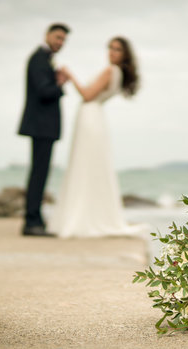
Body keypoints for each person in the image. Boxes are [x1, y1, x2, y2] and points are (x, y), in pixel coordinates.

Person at [48, 36, 141, 238]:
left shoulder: (110, 71)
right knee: (90, 166)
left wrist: (70, 75)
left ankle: (82, 217)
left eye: (117, 49)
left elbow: (87, 95)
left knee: (84, 165)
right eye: (110, 48)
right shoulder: (118, 73)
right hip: (96, 117)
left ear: (124, 54)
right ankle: (89, 214)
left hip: (91, 115)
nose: (111, 52)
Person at [18, 23, 70, 237]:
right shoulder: (39, 58)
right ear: (47, 35)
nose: (60, 43)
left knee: (40, 173)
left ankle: (35, 218)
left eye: (63, 40)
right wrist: (60, 83)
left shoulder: (44, 58)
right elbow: (43, 91)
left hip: (43, 126)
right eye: (58, 37)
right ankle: (31, 222)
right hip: (41, 126)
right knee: (39, 173)